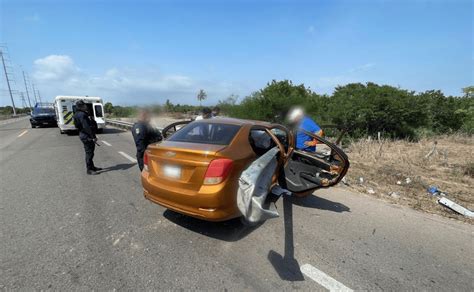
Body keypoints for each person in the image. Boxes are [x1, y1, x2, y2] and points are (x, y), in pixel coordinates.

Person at [73, 100, 102, 175]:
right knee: (89, 153)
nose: (86, 106)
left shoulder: (77, 114)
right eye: (84, 105)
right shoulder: (82, 115)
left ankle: (92, 167)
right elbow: (86, 127)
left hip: (83, 134)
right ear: (81, 106)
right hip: (86, 135)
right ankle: (89, 169)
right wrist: (93, 137)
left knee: (90, 152)